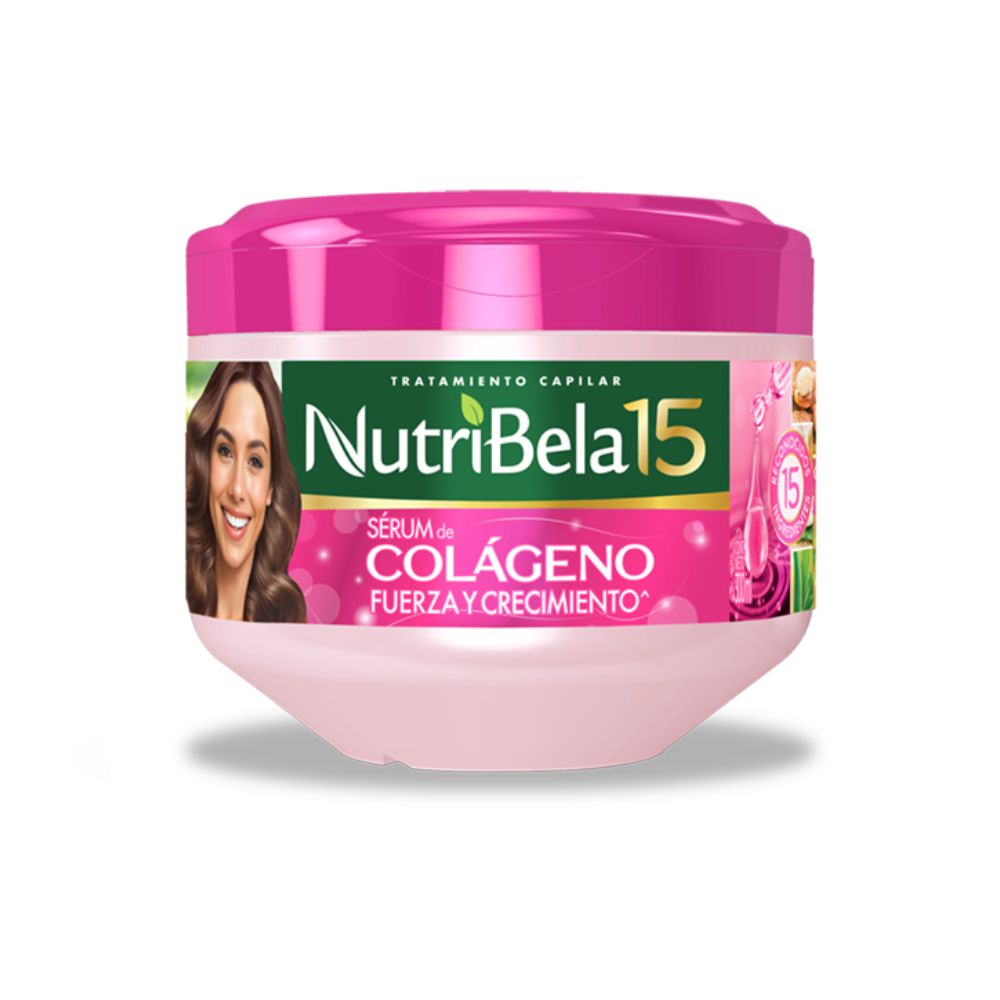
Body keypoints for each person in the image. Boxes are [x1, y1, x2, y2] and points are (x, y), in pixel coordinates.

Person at [186, 362, 306, 622]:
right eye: (225, 451)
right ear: (204, 461)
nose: (237, 489)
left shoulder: (287, 623)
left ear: (271, 487)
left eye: (255, 461)